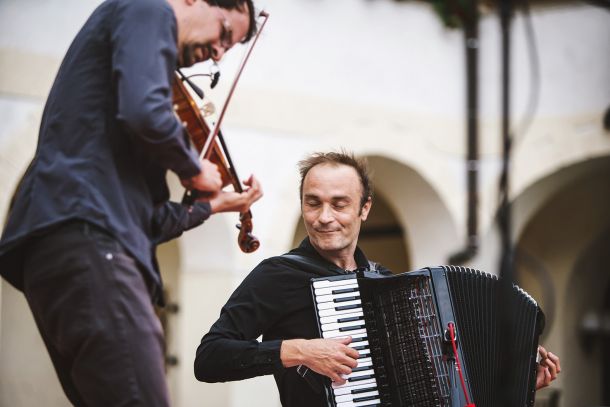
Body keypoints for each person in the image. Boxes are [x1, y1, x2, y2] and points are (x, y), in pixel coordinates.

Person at [0, 0, 261, 406]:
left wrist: (215, 206)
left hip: (66, 246)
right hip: (91, 241)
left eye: (230, 48)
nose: (219, 53)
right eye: (224, 33)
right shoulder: (150, 9)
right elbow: (145, 110)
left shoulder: (122, 118)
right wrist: (193, 169)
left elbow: (150, 222)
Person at [194, 151, 561, 406]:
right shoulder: (277, 276)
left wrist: (519, 386)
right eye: (312, 202)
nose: (323, 217)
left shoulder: (385, 283)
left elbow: (435, 387)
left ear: (364, 208)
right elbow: (209, 358)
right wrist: (298, 351)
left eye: (338, 204)